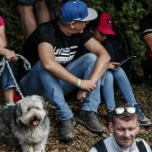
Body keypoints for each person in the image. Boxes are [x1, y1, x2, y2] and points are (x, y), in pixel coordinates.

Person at [20, 0, 110, 141]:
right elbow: (48, 64)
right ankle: (65, 116)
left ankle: (88, 111)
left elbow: (104, 55)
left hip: (56, 85)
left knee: (92, 58)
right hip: (33, 86)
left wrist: (89, 84)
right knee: (44, 65)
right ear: (72, 24)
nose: (87, 23)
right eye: (84, 20)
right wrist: (79, 83)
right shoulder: (47, 31)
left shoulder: (80, 32)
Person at [90, 12, 150, 126]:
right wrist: (104, 65)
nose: (104, 37)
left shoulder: (107, 42)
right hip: (91, 82)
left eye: (107, 34)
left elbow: (110, 58)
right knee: (107, 74)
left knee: (118, 70)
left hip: (106, 82)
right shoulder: (85, 42)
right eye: (102, 33)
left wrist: (111, 64)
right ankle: (111, 110)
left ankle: (133, 104)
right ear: (92, 29)